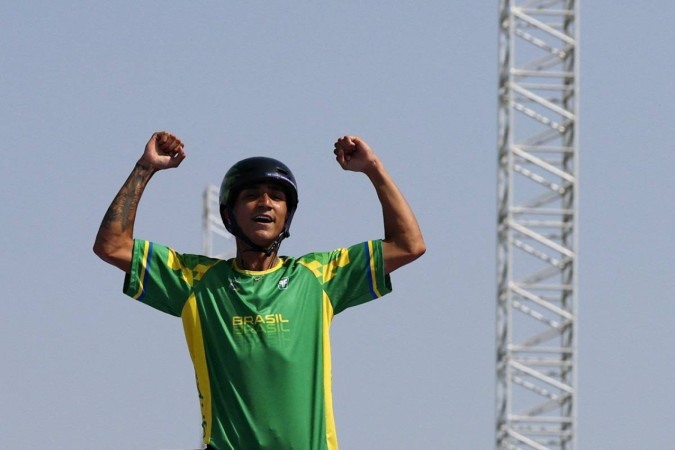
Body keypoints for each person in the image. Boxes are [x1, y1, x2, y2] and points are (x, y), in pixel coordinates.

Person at [93, 131, 425, 450]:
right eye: (251, 196)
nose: (265, 203)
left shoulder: (318, 276)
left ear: (287, 215)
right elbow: (112, 246)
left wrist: (373, 168)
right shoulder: (195, 281)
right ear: (228, 214)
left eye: (277, 197)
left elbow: (408, 245)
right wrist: (145, 167)